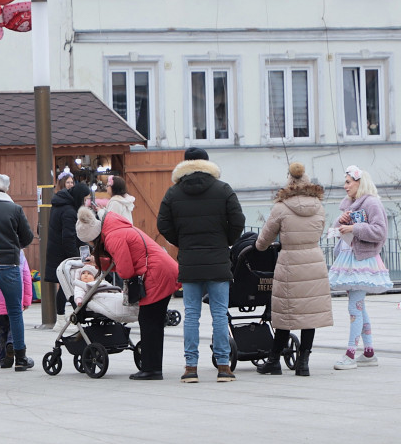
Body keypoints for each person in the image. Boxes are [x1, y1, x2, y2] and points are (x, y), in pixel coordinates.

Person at [157, 147, 245, 383]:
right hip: (218, 261)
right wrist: (225, 241)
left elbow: (163, 224)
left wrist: (182, 241)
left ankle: (191, 367)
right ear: (207, 163)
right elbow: (238, 220)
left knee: (191, 315)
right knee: (218, 315)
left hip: (190, 262)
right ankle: (224, 366)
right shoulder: (223, 189)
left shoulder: (173, 193)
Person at [78, 207, 179, 380]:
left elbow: (125, 271)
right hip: (164, 270)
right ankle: (152, 367)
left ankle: (151, 369)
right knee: (153, 321)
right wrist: (101, 261)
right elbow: (126, 261)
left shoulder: (113, 237)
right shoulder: (117, 229)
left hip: (156, 274)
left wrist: (104, 261)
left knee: (149, 322)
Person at [254, 163, 333, 377]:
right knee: (309, 314)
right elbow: (319, 230)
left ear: (289, 183)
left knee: (285, 314)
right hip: (314, 261)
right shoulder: (319, 206)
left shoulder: (281, 208)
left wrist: (262, 246)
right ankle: (303, 362)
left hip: (290, 262)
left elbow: (263, 242)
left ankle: (273, 360)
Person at [327, 165, 392, 370]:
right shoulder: (352, 204)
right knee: (358, 306)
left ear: (359, 183)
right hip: (352, 259)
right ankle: (369, 352)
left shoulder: (371, 202)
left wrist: (354, 228)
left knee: (354, 306)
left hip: (362, 261)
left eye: (348, 182)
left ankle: (350, 353)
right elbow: (339, 227)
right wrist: (342, 221)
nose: (345, 186)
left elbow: (380, 231)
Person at [0, 174, 35, 371]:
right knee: (15, 312)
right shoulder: (15, 209)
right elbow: (27, 237)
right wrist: (13, 246)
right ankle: (21, 357)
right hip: (10, 265)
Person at [46, 181, 91, 316]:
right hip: (64, 254)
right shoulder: (69, 212)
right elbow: (69, 238)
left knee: (65, 285)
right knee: (68, 285)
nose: (85, 202)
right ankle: (70, 315)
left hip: (57, 251)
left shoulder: (60, 205)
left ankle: (63, 316)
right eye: (84, 199)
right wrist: (77, 258)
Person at [0, 250, 31, 367]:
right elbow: (26, 277)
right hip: (14, 294)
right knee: (14, 322)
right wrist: (26, 300)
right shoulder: (19, 252)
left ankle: (3, 358)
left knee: (0, 329)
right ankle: (11, 343)